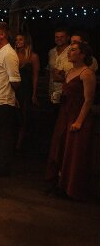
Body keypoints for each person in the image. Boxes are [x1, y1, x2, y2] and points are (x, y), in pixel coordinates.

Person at [45, 42, 97, 200]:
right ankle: (60, 183)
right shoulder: (70, 72)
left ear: (82, 54)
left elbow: (88, 100)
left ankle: (72, 189)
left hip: (77, 116)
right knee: (61, 148)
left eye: (73, 50)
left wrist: (79, 121)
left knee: (74, 153)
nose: (69, 53)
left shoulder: (87, 73)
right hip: (65, 114)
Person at [0, 22, 21, 177]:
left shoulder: (9, 54)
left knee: (5, 135)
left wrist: (14, 96)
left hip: (4, 100)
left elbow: (15, 80)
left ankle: (4, 168)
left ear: (3, 35)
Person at [15, 33, 40, 151]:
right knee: (13, 115)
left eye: (20, 39)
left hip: (25, 89)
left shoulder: (33, 57)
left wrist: (34, 93)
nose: (18, 42)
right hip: (13, 88)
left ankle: (19, 145)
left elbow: (35, 76)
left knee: (22, 116)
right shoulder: (13, 55)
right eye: (16, 40)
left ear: (26, 41)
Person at [47, 27, 72, 107]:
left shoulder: (72, 51)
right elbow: (49, 71)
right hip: (53, 92)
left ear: (68, 38)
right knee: (54, 116)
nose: (59, 39)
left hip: (67, 92)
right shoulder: (51, 52)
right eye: (57, 37)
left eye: (62, 37)